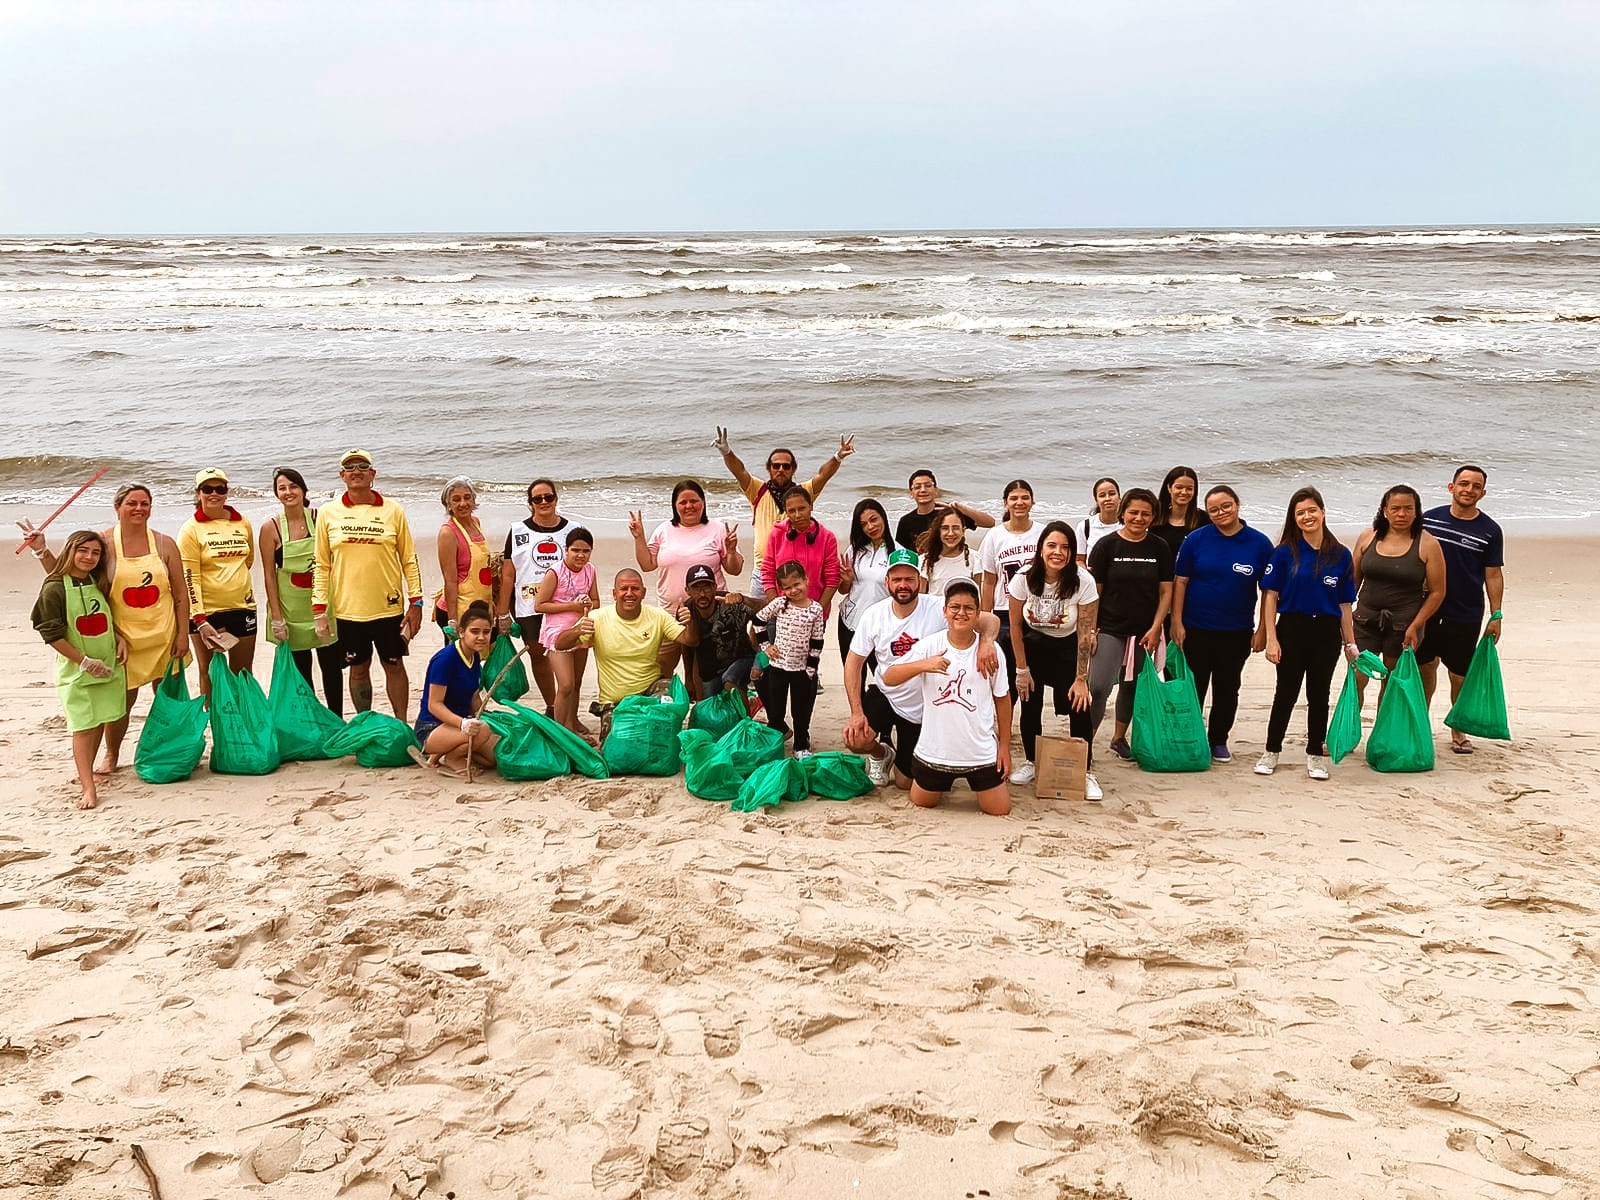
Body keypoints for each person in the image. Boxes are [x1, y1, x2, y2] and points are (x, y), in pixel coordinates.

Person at [22, 482, 187, 775]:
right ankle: (112, 755)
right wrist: (42, 550)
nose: (139, 509)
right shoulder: (104, 543)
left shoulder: (164, 543)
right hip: (124, 641)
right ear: (117, 507)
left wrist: (183, 634)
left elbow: (180, 594)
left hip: (164, 636)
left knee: (169, 696)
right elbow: (68, 577)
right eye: (132, 503)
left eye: (144, 503)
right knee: (121, 702)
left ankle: (169, 751)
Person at [843, 550, 1001, 788]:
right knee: (855, 739)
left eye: (909, 579)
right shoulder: (873, 615)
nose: (903, 585)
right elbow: (853, 663)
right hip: (886, 691)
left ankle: (906, 759)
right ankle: (881, 754)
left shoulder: (938, 607)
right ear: (887, 582)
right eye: (897, 580)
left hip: (922, 706)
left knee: (905, 783)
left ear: (920, 581)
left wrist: (987, 642)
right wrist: (857, 712)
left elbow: (991, 620)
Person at [881, 578, 1014, 816]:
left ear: (977, 614)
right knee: (922, 802)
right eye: (954, 607)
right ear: (944, 611)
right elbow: (889, 677)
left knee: (999, 809)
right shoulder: (930, 646)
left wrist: (1004, 746)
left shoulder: (991, 652)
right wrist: (924, 665)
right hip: (935, 752)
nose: (961, 613)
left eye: (968, 608)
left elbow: (1002, 699)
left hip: (980, 753)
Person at [1255, 487, 1357, 781]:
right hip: (1292, 627)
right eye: (1300, 512)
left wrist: (1350, 644)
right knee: (1285, 693)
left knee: (1319, 693)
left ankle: (1315, 755)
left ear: (1323, 512)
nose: (1307, 516)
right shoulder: (1286, 551)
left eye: (1312, 510)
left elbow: (1344, 605)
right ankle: (1271, 751)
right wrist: (1272, 638)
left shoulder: (1340, 555)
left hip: (1326, 631)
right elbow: (1271, 595)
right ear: (1294, 518)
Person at [312, 449, 423, 718]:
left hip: (388, 607)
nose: (356, 471)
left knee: (394, 664)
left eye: (363, 466)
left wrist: (416, 601)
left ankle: (400, 724)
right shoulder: (328, 513)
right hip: (349, 610)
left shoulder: (393, 510)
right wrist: (319, 610)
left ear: (373, 474)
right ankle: (364, 723)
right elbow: (321, 564)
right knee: (358, 668)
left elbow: (409, 558)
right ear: (342, 476)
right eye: (350, 468)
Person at [1171, 485, 1275, 762]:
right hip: (1195, 628)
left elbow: (1269, 591)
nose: (1221, 513)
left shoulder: (1259, 543)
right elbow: (1180, 582)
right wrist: (1177, 621)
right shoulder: (1195, 539)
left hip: (1237, 631)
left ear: (1237, 505)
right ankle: (1189, 737)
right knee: (1193, 687)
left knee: (1228, 689)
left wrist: (1263, 630)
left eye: (1226, 506)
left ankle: (1218, 740)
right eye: (1214, 509)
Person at [30, 530, 127, 810]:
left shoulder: (97, 580)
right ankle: (88, 786)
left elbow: (106, 616)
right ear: (70, 550)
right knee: (83, 727)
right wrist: (84, 661)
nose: (89, 557)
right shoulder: (54, 588)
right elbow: (51, 634)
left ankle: (93, 770)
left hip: (108, 666)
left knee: (100, 720)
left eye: (95, 553)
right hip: (78, 671)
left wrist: (119, 638)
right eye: (83, 551)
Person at [1008, 522, 1102, 798]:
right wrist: (1021, 670)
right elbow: (1014, 626)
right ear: (1041, 549)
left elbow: (1086, 632)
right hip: (1033, 645)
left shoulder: (1082, 580)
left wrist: (1082, 678)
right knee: (1029, 702)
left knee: (1079, 704)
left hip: (1068, 647)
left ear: (1072, 552)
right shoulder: (1024, 577)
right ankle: (1031, 761)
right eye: (1051, 545)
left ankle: (1084, 771)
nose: (1058, 552)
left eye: (1065, 547)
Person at [1417, 465, 1505, 753]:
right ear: (1451, 487)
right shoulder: (1429, 520)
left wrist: (1497, 614)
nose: (1469, 490)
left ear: (1483, 493)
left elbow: (1493, 574)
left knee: (1459, 675)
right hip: (1427, 610)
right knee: (1425, 668)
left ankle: (1458, 729)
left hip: (1465, 613)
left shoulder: (1490, 530)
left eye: (1475, 486)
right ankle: (1420, 725)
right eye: (1463, 484)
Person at [1086, 488, 1174, 761]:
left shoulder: (1159, 547)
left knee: (1131, 686)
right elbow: (1093, 593)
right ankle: (1084, 741)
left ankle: (1118, 738)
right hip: (1110, 628)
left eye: (1145, 513)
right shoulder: (1106, 546)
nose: (1139, 518)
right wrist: (1091, 628)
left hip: (1144, 631)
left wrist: (1156, 627)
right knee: (1098, 686)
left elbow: (1166, 592)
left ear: (1153, 516)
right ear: (1123, 513)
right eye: (1133, 512)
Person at [715, 428, 853, 596]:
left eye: (786, 466)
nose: (781, 469)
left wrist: (838, 457)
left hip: (794, 576)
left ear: (793, 469)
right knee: (761, 621)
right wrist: (727, 452)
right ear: (769, 469)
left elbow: (822, 475)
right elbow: (739, 471)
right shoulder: (757, 490)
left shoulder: (803, 493)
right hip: (763, 573)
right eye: (776, 465)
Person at [1351, 484, 1446, 709]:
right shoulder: (1368, 537)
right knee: (1356, 678)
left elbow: (1437, 592)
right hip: (1365, 620)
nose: (1401, 514)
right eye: (1395, 508)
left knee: (1392, 683)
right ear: (1385, 510)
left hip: (1405, 625)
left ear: (1416, 511)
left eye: (1408, 508)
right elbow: (1352, 582)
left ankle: (1383, 739)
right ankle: (1346, 737)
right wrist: (1344, 617)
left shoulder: (1428, 544)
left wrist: (1417, 624)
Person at [555, 570, 699, 719]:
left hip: (649, 692)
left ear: (643, 593)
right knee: (619, 739)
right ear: (614, 593)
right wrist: (577, 631)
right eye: (624, 589)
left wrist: (690, 622)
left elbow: (690, 640)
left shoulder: (658, 616)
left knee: (669, 695)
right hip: (614, 702)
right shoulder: (597, 618)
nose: (629, 593)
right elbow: (559, 644)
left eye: (635, 589)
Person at [260, 467, 343, 714]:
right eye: (282, 488)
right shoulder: (270, 528)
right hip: (291, 610)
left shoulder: (320, 519)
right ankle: (311, 721)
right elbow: (268, 575)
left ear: (304, 489)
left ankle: (336, 719)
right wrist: (277, 617)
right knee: (301, 671)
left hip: (322, 607)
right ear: (276, 494)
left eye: (293, 486)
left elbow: (335, 563)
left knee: (331, 667)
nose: (288, 492)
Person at [178, 468, 257, 700]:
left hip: (242, 607)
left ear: (227, 492)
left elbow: (247, 561)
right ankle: (215, 720)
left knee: (242, 673)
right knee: (210, 672)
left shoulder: (242, 522)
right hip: (206, 613)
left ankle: (242, 721)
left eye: (220, 489)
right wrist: (200, 620)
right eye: (207, 489)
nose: (214, 494)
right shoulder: (190, 529)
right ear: (198, 493)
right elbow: (189, 577)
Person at [498, 478, 574, 714]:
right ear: (530, 503)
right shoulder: (518, 530)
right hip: (529, 607)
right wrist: (502, 614)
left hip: (564, 607)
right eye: (537, 499)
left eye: (548, 497)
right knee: (539, 657)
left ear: (556, 499)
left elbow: (583, 567)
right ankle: (552, 707)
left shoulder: (573, 529)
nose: (543, 502)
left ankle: (569, 716)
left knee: (568, 660)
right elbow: (508, 575)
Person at [413, 600, 499, 777]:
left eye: (486, 632)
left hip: (460, 724)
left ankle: (440, 755)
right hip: (432, 727)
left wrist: (488, 716)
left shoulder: (474, 657)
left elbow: (474, 697)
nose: (481, 637)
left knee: (491, 758)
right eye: (474, 632)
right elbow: (434, 705)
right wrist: (463, 723)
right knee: (483, 730)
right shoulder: (446, 659)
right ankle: (451, 758)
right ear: (461, 632)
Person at [751, 562, 828, 754]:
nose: (793, 590)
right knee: (776, 710)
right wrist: (766, 647)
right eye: (787, 587)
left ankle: (801, 745)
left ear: (806, 580)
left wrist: (811, 669)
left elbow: (817, 641)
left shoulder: (816, 610)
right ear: (781, 589)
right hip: (778, 667)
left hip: (802, 670)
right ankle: (775, 742)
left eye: (797, 584)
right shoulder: (779, 604)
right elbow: (758, 621)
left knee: (800, 711)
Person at [630, 479, 743, 608]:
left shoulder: (719, 529)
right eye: (683, 502)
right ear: (675, 505)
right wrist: (639, 537)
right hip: (670, 611)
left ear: (703, 503)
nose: (689, 506)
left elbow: (735, 570)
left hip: (711, 610)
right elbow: (647, 565)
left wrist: (731, 551)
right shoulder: (663, 530)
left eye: (694, 501)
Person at [535, 527, 599, 733]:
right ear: (566, 550)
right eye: (575, 550)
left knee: (577, 682)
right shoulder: (555, 572)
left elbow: (596, 601)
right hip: (557, 632)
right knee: (565, 685)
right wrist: (572, 606)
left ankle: (571, 723)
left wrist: (588, 603)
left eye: (586, 551)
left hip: (582, 629)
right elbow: (540, 605)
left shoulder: (590, 570)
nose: (580, 555)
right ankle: (558, 729)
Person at [978, 479, 1039, 696]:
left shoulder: (1042, 533)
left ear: (1032, 502)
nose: (1019, 502)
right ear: (1005, 503)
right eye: (1014, 498)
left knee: (1032, 674)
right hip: (1004, 613)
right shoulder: (995, 536)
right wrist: (985, 618)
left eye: (1025, 497)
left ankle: (1031, 728)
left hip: (1035, 612)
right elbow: (989, 582)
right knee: (1005, 675)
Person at [675, 564, 755, 700]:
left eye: (706, 587)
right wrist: (689, 679)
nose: (702, 594)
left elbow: (768, 610)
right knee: (704, 709)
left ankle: (745, 719)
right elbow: (688, 646)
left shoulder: (730, 602)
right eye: (696, 588)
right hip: (711, 671)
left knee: (730, 679)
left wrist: (743, 599)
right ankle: (750, 702)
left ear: (715, 587)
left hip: (743, 660)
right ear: (687, 590)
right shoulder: (686, 611)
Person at [758, 486, 841, 614]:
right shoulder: (776, 534)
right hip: (782, 613)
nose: (797, 515)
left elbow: (832, 579)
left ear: (811, 506)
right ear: (786, 512)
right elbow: (767, 572)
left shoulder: (827, 538)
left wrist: (817, 610)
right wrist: (776, 605)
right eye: (791, 511)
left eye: (802, 508)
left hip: (815, 612)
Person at [836, 498, 896, 664]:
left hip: (882, 627)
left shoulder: (898, 553)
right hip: (850, 622)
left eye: (874, 519)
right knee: (853, 679)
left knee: (884, 680)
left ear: (883, 517)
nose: (870, 527)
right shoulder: (854, 551)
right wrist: (846, 580)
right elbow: (843, 590)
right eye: (863, 524)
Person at [434, 476, 494, 633]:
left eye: (467, 497)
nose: (463, 503)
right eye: (456, 499)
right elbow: (450, 581)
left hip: (481, 606)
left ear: (474, 500)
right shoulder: (448, 532)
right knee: (461, 657)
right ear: (448, 505)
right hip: (459, 608)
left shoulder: (476, 522)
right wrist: (452, 620)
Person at [894, 468, 993, 552]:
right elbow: (901, 552)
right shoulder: (906, 521)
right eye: (917, 487)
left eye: (928, 485)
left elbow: (989, 523)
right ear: (911, 493)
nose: (923, 490)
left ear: (936, 491)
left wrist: (960, 508)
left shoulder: (950, 514)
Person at [918, 505, 980, 596]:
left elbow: (979, 595)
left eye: (955, 528)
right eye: (945, 528)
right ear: (938, 531)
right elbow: (921, 596)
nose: (950, 533)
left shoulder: (975, 558)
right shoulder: (925, 560)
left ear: (963, 531)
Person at [1152, 466, 1209, 561]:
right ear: (1169, 488)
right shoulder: (1155, 518)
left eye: (1189, 488)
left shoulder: (1205, 519)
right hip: (1163, 575)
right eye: (1179, 487)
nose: (1184, 492)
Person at [1079, 477, 1122, 564]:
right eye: (1102, 495)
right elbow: (1079, 560)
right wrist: (1088, 575)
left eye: (1112, 494)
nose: (1107, 498)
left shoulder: (1128, 525)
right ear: (1096, 500)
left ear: (1119, 497)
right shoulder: (1085, 526)